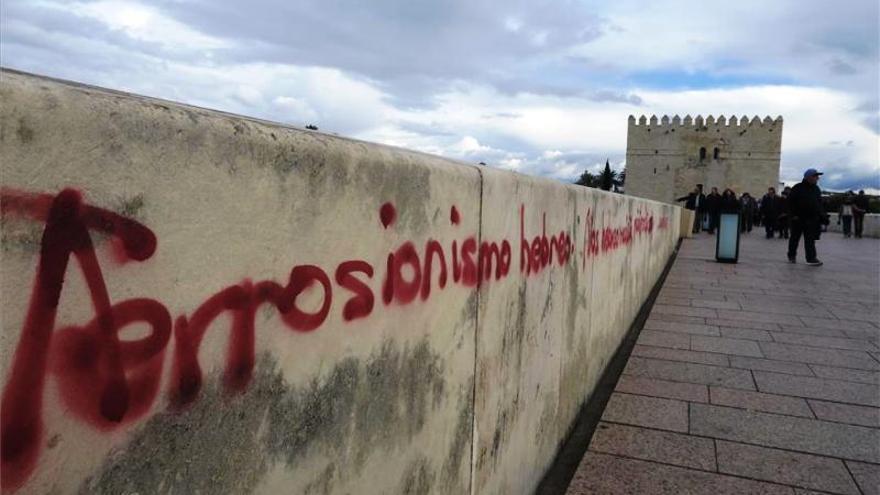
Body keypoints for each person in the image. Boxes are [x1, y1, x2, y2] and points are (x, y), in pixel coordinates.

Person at [787, 169, 826, 266]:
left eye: (817, 176)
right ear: (808, 177)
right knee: (794, 239)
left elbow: (819, 204)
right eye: (815, 176)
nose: (817, 178)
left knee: (810, 240)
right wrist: (793, 216)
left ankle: (811, 258)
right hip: (798, 219)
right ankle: (791, 256)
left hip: (811, 219)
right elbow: (789, 203)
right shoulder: (797, 188)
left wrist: (822, 216)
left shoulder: (816, 189)